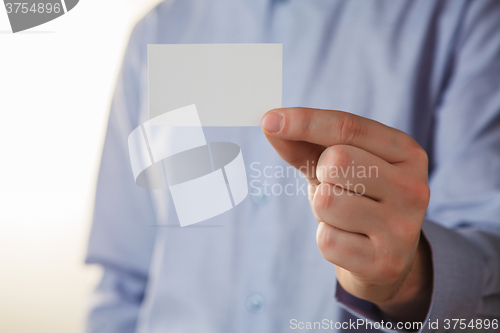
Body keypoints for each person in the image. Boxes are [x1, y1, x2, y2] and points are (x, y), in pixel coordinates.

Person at [85, 0, 500, 332]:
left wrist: (407, 282)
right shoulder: (159, 33)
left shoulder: (465, 17)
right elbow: (122, 280)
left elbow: (490, 280)